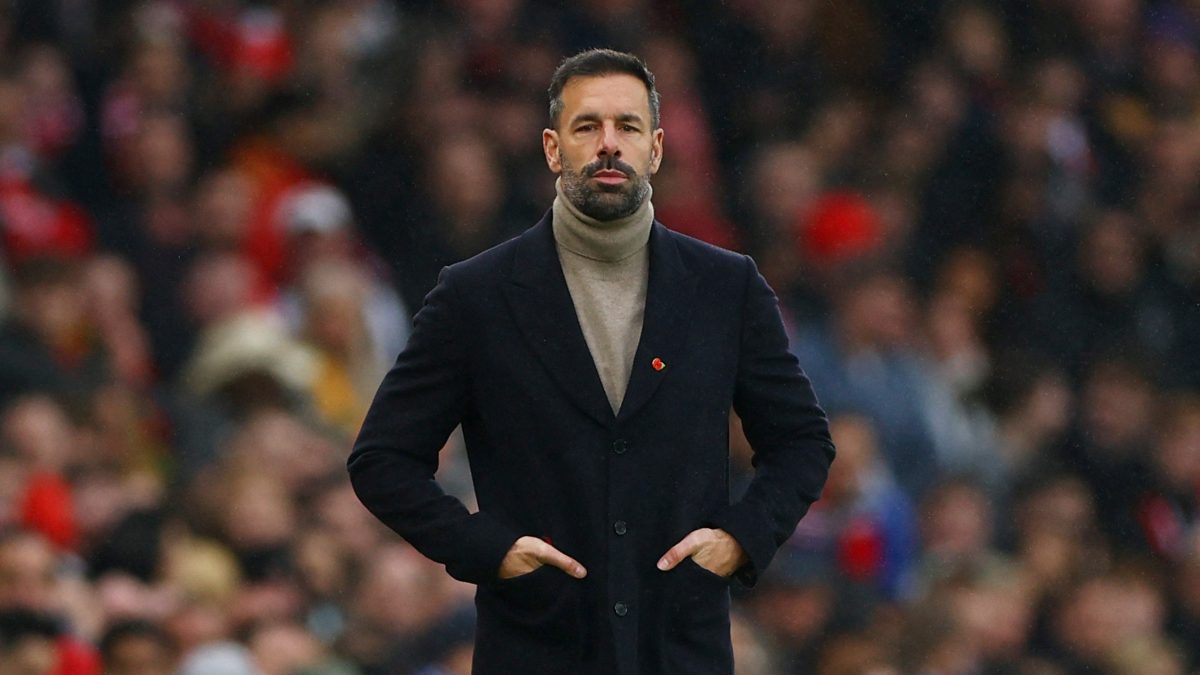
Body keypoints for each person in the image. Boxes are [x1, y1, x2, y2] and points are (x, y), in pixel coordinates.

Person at [348, 48, 835, 674]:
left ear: (656, 148)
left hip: (681, 649)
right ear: (553, 149)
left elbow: (801, 442)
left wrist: (743, 538)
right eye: (587, 126)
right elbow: (382, 459)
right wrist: (485, 548)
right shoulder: (475, 295)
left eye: (627, 126)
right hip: (535, 649)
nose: (609, 144)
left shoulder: (726, 287)